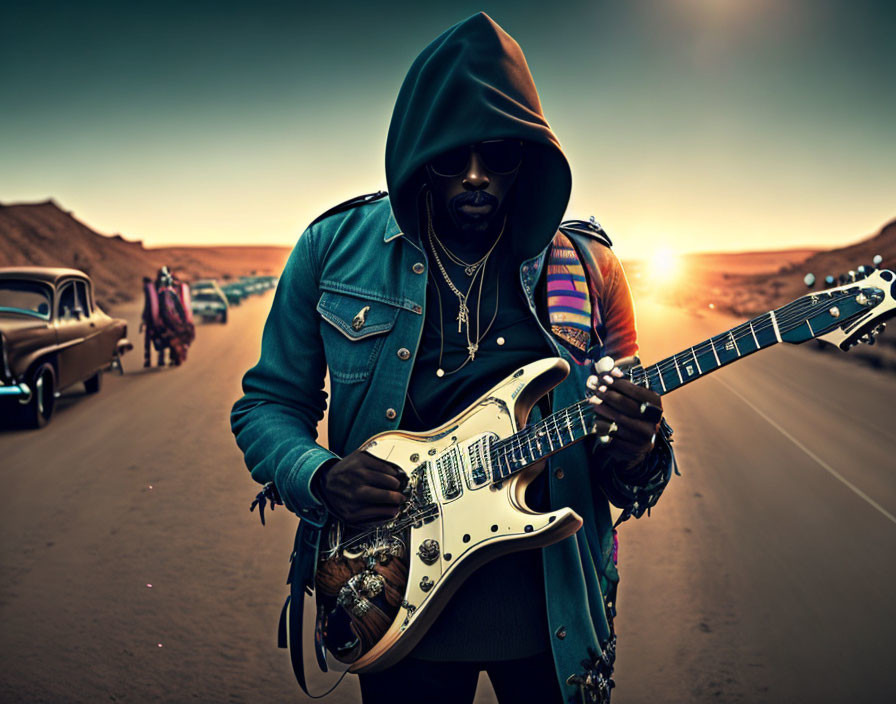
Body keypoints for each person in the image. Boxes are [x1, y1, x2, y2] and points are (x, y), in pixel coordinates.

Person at [231, 13, 676, 704]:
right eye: (449, 156)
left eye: (497, 153)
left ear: (528, 155)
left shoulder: (588, 269)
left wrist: (639, 444)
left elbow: (627, 469)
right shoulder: (330, 248)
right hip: (392, 606)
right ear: (417, 155)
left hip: (552, 618)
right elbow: (267, 404)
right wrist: (321, 478)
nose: (474, 176)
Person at [141, 266, 194, 367]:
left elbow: (150, 304)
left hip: (162, 318)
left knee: (159, 337)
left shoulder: (158, 287)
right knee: (167, 337)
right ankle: (160, 358)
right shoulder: (171, 286)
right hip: (166, 318)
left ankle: (155, 359)